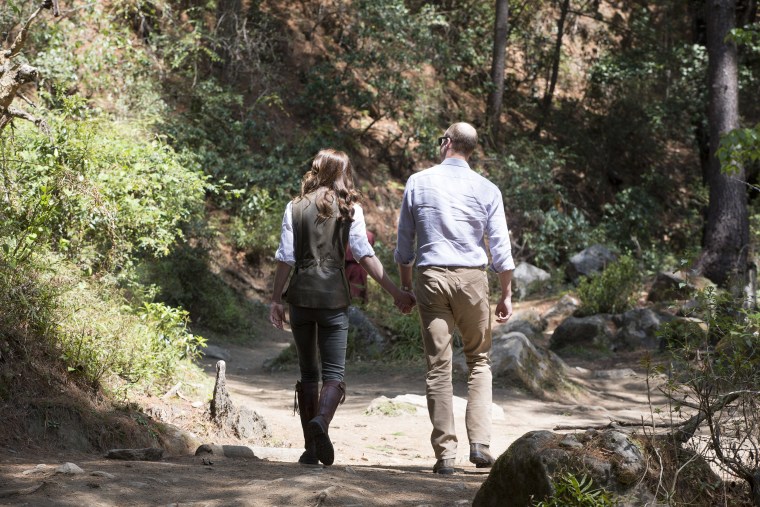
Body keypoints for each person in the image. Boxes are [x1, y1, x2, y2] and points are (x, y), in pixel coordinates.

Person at [269, 149, 414, 467]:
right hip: (334, 298)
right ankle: (321, 421)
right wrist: (395, 292)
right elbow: (364, 254)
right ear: (344, 174)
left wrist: (276, 299)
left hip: (301, 298)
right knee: (334, 374)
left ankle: (310, 448)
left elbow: (285, 257)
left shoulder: (294, 207)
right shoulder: (351, 209)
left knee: (308, 372)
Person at [394, 122, 515, 475]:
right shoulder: (487, 188)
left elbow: (404, 246)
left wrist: (405, 287)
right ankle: (480, 444)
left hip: (430, 278)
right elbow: (501, 250)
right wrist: (506, 292)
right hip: (472, 281)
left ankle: (445, 454)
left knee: (438, 367)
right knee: (478, 361)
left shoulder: (418, 181)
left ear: (447, 143)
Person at [345, 230, 376, 302]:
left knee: (352, 289)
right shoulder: (369, 235)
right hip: (360, 266)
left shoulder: (349, 233)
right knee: (357, 289)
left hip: (352, 266)